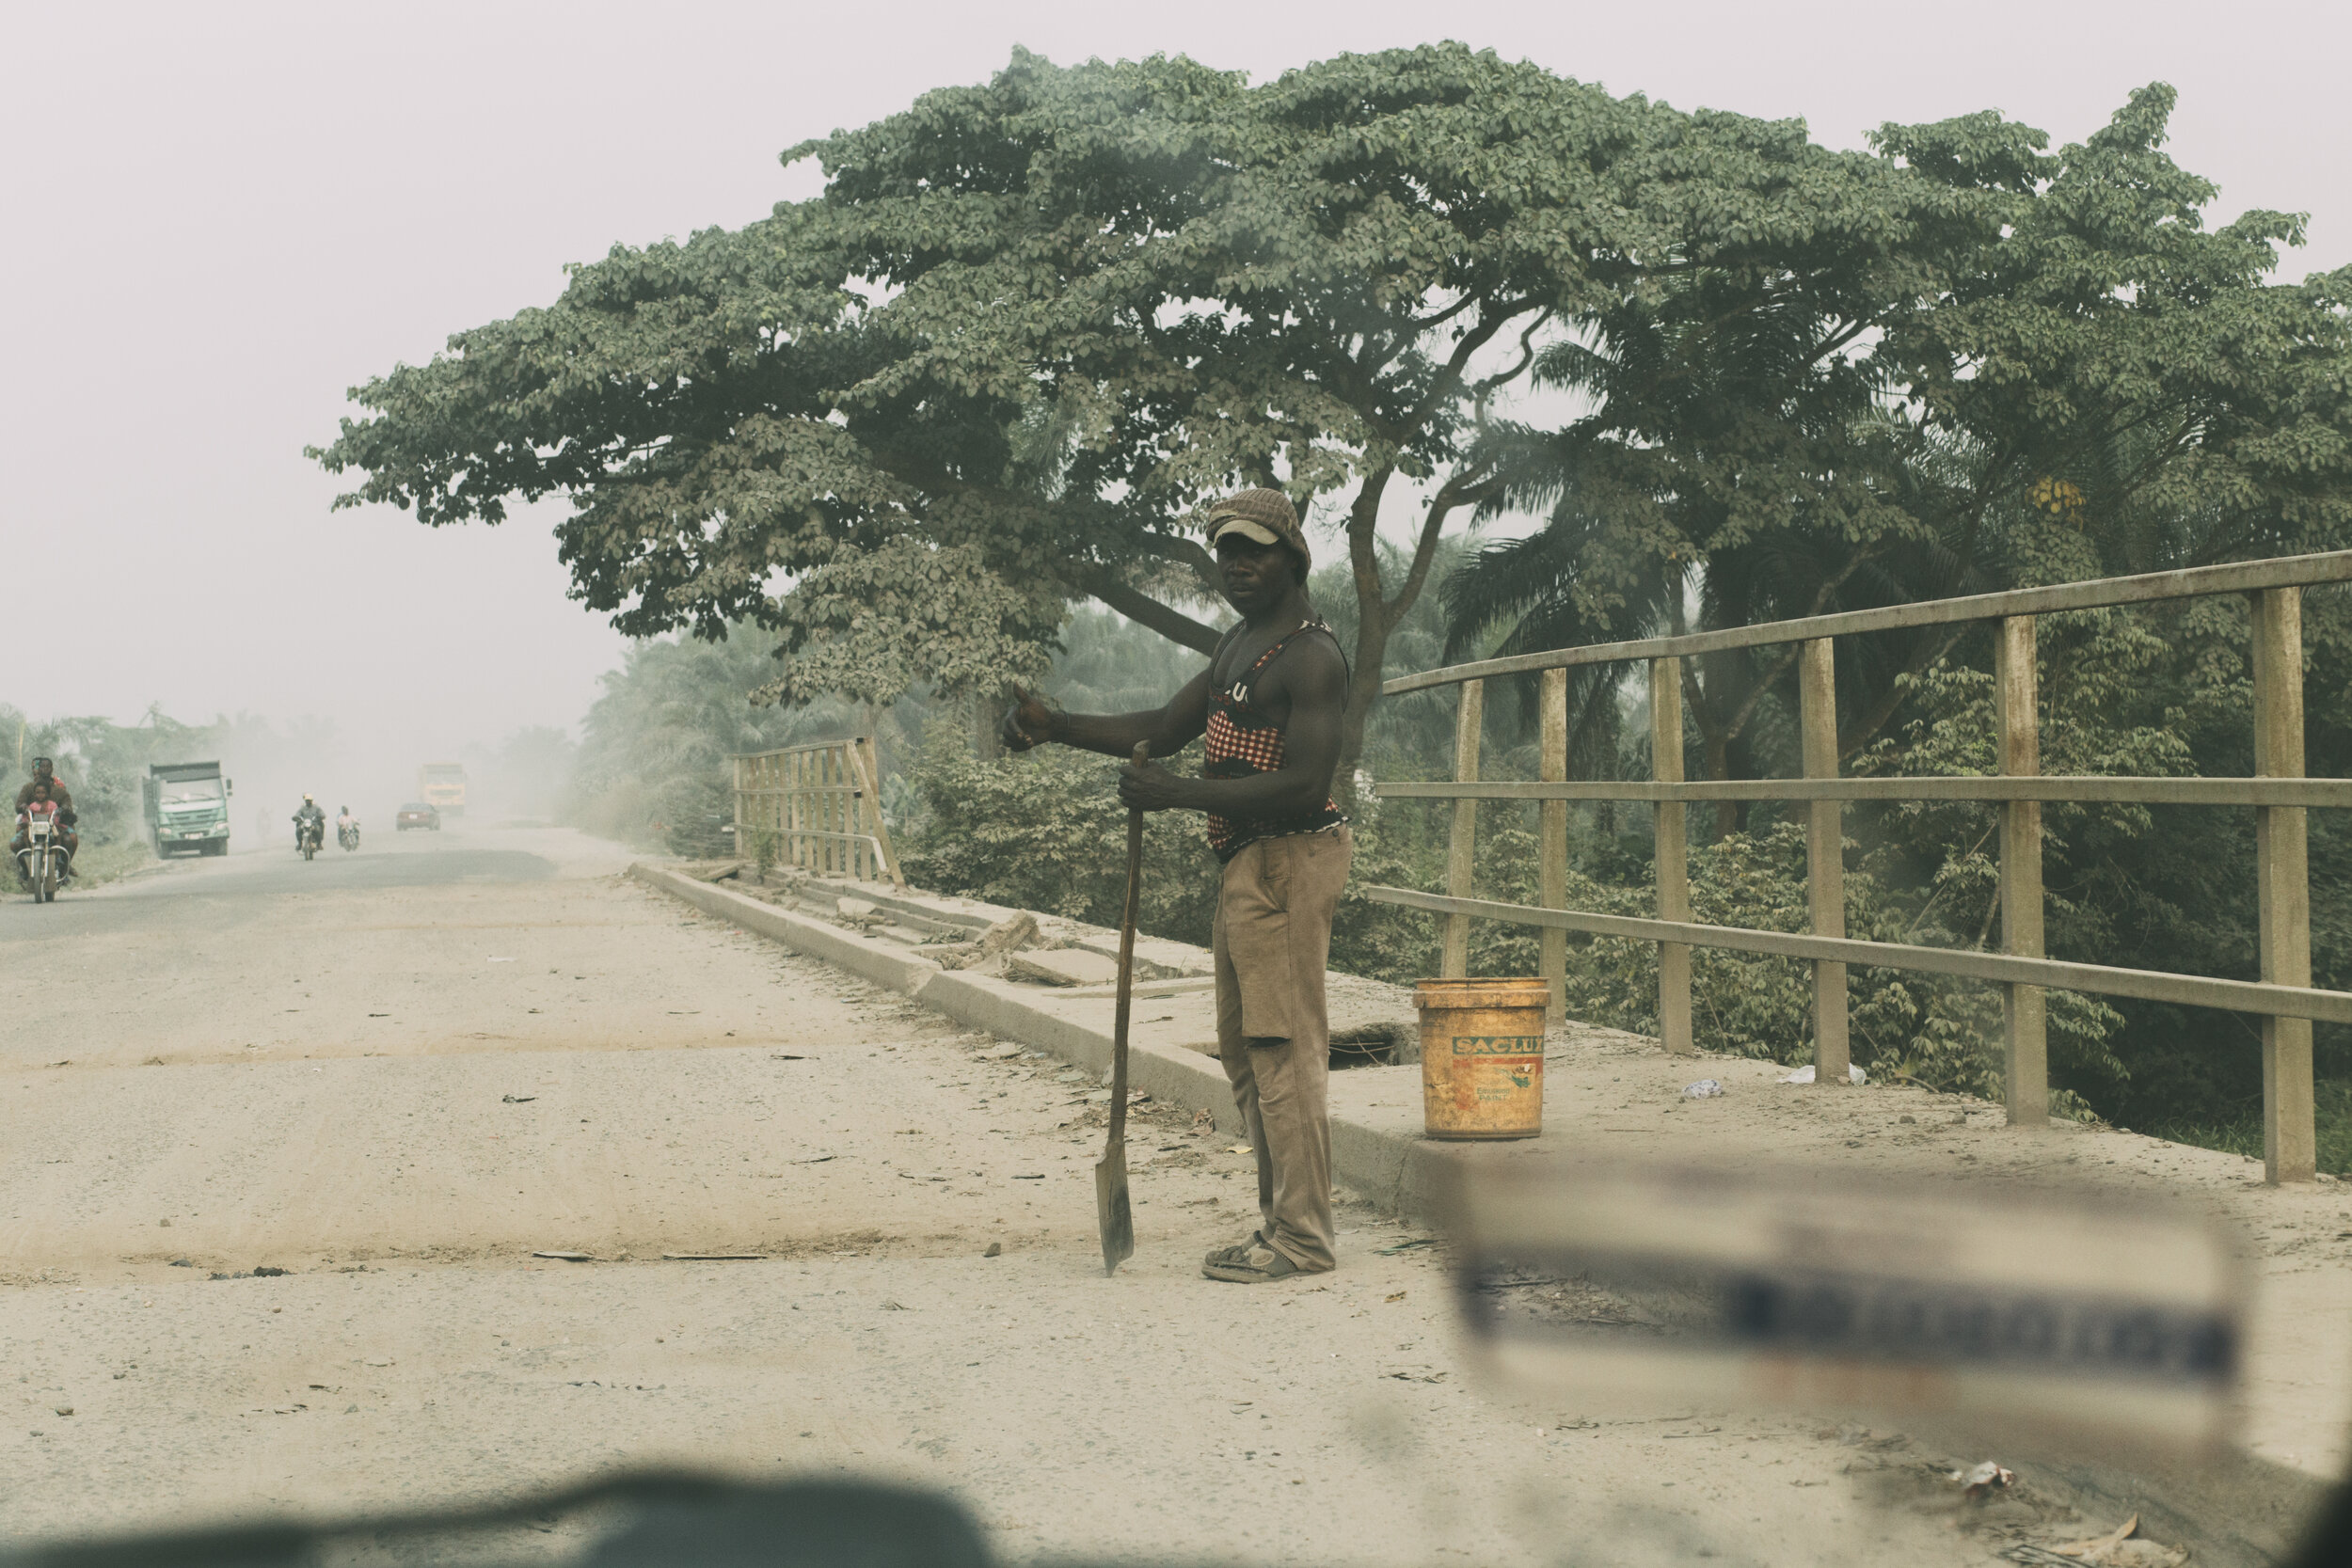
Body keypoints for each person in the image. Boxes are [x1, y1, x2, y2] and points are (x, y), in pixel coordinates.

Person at [1002, 487, 1351, 1284]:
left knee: (1283, 1048)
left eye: (1254, 550)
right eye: (1226, 551)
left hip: (1291, 858)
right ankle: (1279, 1224)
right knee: (1245, 1049)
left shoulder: (1310, 654)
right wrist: (1057, 726)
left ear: (1292, 555)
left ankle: (1303, 1238)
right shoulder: (1240, 645)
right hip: (1246, 863)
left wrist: (1177, 793)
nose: (1237, 565)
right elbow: (1160, 725)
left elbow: (1303, 783)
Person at [11, 757, 78, 877]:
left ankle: (64, 867)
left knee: (70, 839)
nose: (45, 769)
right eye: (42, 766)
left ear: (52, 769)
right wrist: (24, 807)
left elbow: (67, 804)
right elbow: (19, 804)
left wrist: (64, 809)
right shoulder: (28, 788)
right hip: (32, 825)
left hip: (54, 826)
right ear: (38, 769)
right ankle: (26, 867)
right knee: (14, 844)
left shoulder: (60, 790)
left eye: (48, 767)